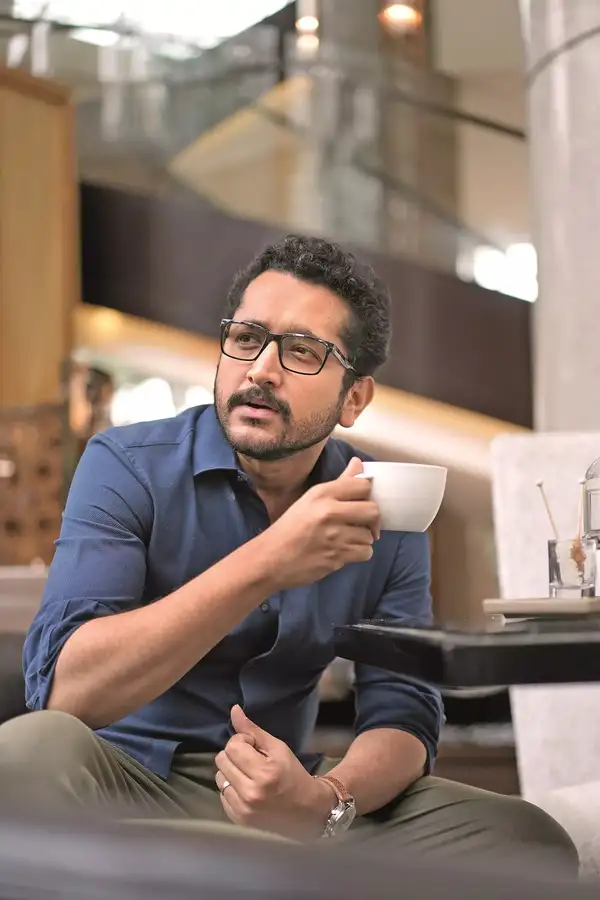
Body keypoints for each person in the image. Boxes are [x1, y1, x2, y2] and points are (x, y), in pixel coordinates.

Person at [0, 236, 577, 873]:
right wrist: (269, 561)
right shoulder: (127, 465)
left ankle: (237, 864)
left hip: (282, 796)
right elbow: (66, 691)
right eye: (246, 338)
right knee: (26, 753)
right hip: (119, 783)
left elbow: (403, 708)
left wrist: (324, 802)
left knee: (527, 840)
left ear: (354, 398)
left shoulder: (384, 504)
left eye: (301, 351)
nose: (260, 370)